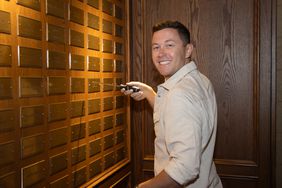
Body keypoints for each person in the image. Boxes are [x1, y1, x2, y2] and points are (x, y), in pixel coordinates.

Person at [122, 20, 222, 188]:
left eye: (169, 45)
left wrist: (146, 187)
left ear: (188, 50)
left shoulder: (179, 94)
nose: (161, 54)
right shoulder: (201, 80)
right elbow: (178, 117)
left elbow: (185, 168)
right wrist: (149, 93)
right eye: (156, 47)